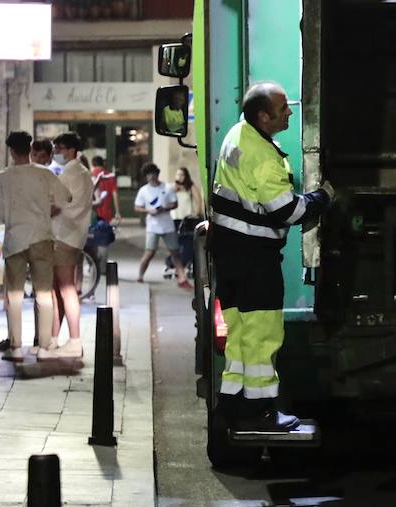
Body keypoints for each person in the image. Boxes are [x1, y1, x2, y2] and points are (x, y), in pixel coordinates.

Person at [209, 82, 333, 433]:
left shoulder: (238, 134)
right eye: (283, 109)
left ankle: (231, 407)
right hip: (254, 259)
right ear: (263, 116)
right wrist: (322, 197)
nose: (290, 112)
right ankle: (261, 412)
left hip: (232, 255)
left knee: (240, 335)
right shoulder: (262, 157)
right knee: (262, 335)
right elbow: (288, 212)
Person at [0, 131, 71, 361]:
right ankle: (44, 347)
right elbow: (66, 198)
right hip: (42, 237)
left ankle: (15, 346)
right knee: (44, 293)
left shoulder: (3, 177)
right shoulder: (44, 174)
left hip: (15, 239)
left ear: (11, 151)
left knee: (14, 295)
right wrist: (46, 208)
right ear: (30, 147)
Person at [46, 132, 93, 358]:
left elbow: (61, 204)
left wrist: (47, 210)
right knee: (60, 289)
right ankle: (55, 338)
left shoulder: (73, 172)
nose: (58, 154)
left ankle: (74, 339)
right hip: (72, 236)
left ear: (72, 149)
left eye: (60, 149)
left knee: (65, 288)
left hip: (64, 235)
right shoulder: (81, 172)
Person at [135, 163, 182, 283]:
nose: (151, 177)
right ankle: (140, 275)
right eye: (148, 175)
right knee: (149, 251)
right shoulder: (144, 190)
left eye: (153, 174)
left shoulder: (167, 187)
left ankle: (182, 277)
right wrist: (148, 210)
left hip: (167, 224)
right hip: (152, 225)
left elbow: (175, 203)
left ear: (157, 174)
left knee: (174, 251)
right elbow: (138, 207)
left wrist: (165, 208)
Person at [172, 167, 205, 281]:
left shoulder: (190, 187)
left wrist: (196, 213)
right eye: (178, 174)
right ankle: (176, 265)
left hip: (186, 219)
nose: (179, 177)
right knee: (176, 244)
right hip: (174, 218)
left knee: (187, 243)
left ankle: (181, 266)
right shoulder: (173, 188)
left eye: (182, 175)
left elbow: (198, 200)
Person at [91, 156, 119, 223]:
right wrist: (117, 211)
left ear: (93, 164)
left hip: (93, 211)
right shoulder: (110, 176)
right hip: (107, 211)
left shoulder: (91, 175)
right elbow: (115, 194)